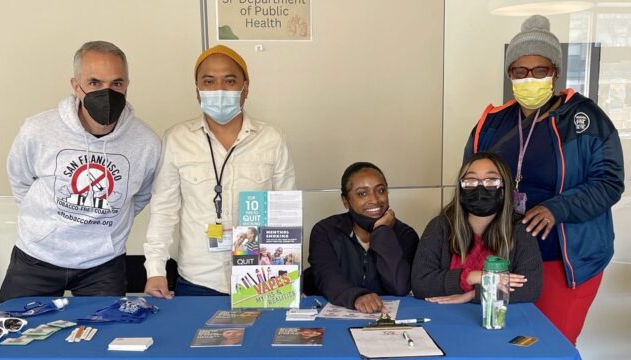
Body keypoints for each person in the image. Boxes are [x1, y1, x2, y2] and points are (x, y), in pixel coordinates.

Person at [464, 15, 624, 344]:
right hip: (502, 256)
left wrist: (557, 208)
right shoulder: (493, 123)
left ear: (555, 72)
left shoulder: (585, 119)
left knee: (551, 344)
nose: (529, 79)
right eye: (519, 71)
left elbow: (609, 181)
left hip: (563, 260)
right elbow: (469, 181)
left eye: (540, 70)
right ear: (510, 74)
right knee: (499, 341)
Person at [0, 41, 161, 302]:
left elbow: (140, 196)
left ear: (127, 85)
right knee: (15, 335)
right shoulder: (38, 130)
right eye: (95, 83)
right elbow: (20, 180)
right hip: (36, 257)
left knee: (102, 336)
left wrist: (104, 226)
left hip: (103, 265)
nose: (107, 92)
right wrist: (46, 226)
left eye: (117, 84)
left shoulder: (146, 143)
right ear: (77, 86)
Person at [144, 45, 295, 298]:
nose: (219, 89)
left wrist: (288, 273)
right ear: (197, 90)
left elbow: (284, 210)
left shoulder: (271, 138)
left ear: (245, 88)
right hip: (198, 279)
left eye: (229, 80)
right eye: (209, 81)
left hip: (261, 277)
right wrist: (155, 269)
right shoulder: (177, 139)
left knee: (261, 339)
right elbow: (164, 209)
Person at [412, 152, 542, 304]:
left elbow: (530, 288)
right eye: (471, 180)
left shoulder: (519, 229)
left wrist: (474, 294)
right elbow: (420, 283)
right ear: (460, 188)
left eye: (491, 180)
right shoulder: (440, 226)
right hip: (445, 314)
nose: (480, 188)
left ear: (505, 188)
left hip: (499, 320)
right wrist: (473, 276)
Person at [307, 162, 419, 313]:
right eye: (362, 193)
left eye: (380, 190)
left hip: (385, 321)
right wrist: (357, 297)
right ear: (346, 201)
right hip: (334, 318)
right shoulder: (325, 231)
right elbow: (327, 278)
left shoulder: (405, 235)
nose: (374, 200)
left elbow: (399, 287)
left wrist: (382, 231)